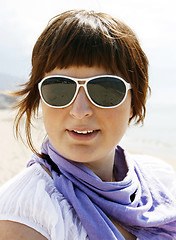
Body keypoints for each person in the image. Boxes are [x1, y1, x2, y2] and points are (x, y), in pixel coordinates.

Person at [0, 9, 176, 240]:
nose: (80, 111)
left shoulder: (161, 179)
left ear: (133, 102)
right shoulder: (26, 212)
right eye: (60, 88)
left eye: (105, 89)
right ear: (40, 98)